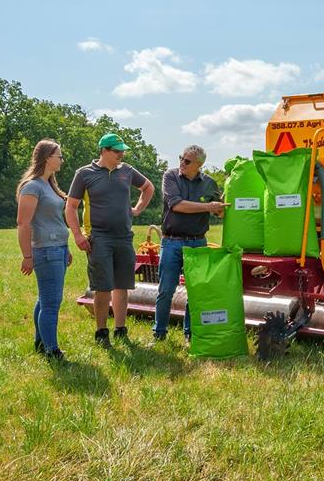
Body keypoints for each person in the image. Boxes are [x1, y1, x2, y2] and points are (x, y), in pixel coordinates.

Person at [65, 133, 155, 349]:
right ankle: (101, 331)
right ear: (104, 151)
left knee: (122, 285)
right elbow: (70, 206)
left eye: (122, 151)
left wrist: (138, 209)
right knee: (103, 286)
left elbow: (148, 187)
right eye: (117, 151)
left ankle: (120, 329)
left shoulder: (127, 171)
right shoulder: (84, 174)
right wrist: (77, 235)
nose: (121, 155)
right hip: (99, 237)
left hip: (124, 236)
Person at [153, 144, 225, 342]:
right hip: (172, 243)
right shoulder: (171, 176)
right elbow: (177, 205)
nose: (181, 163)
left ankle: (190, 335)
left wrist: (220, 208)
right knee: (166, 289)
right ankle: (159, 333)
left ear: (199, 165)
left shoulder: (210, 184)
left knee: (196, 292)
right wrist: (207, 206)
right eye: (181, 158)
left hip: (198, 243)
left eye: (186, 161)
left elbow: (219, 212)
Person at [16, 139, 72, 363]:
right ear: (48, 157)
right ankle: (53, 350)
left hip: (58, 249)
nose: (61, 160)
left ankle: (41, 343)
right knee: (52, 303)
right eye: (59, 156)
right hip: (46, 251)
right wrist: (27, 256)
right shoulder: (32, 187)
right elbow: (23, 223)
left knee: (44, 299)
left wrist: (66, 247)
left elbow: (56, 220)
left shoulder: (49, 185)